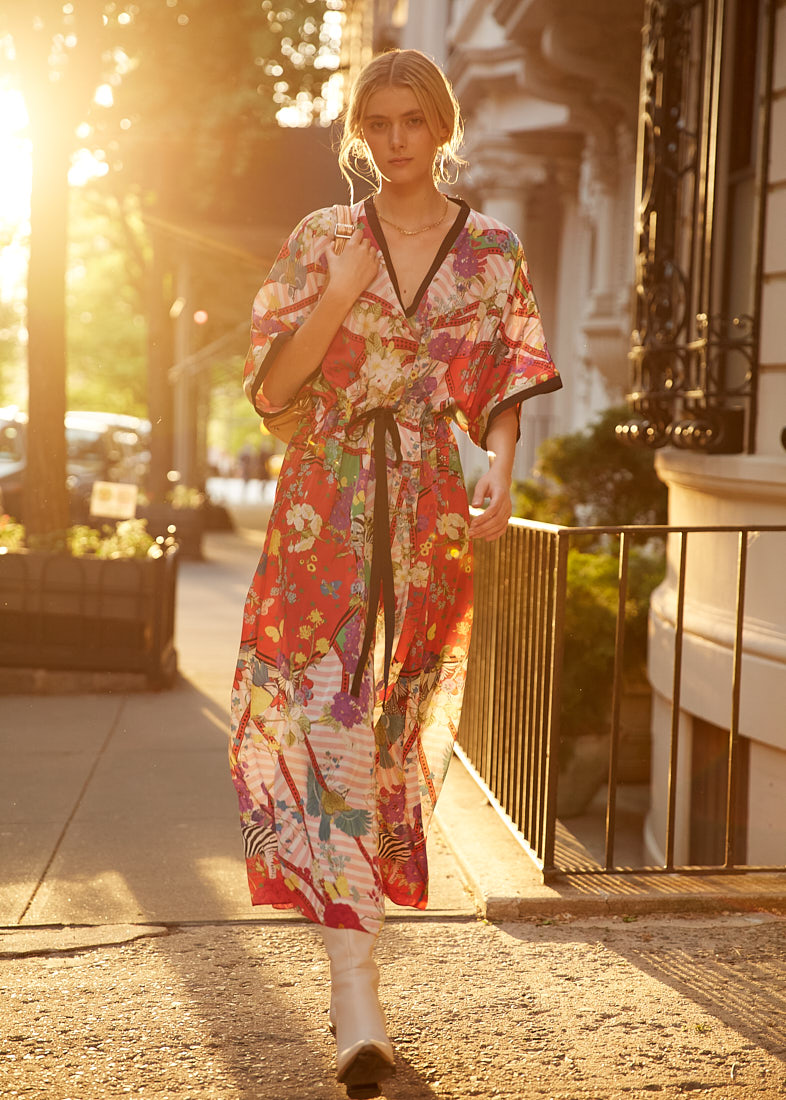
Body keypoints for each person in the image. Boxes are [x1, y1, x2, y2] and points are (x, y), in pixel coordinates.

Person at [229, 48, 562, 1092]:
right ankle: (354, 996)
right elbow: (273, 386)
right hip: (322, 507)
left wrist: (501, 474)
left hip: (423, 516)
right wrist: (337, 296)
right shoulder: (321, 239)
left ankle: (358, 969)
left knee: (388, 736)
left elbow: (504, 379)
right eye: (377, 121)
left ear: (442, 124)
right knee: (323, 729)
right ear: (359, 133)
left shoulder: (493, 250)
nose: (395, 139)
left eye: (413, 119)